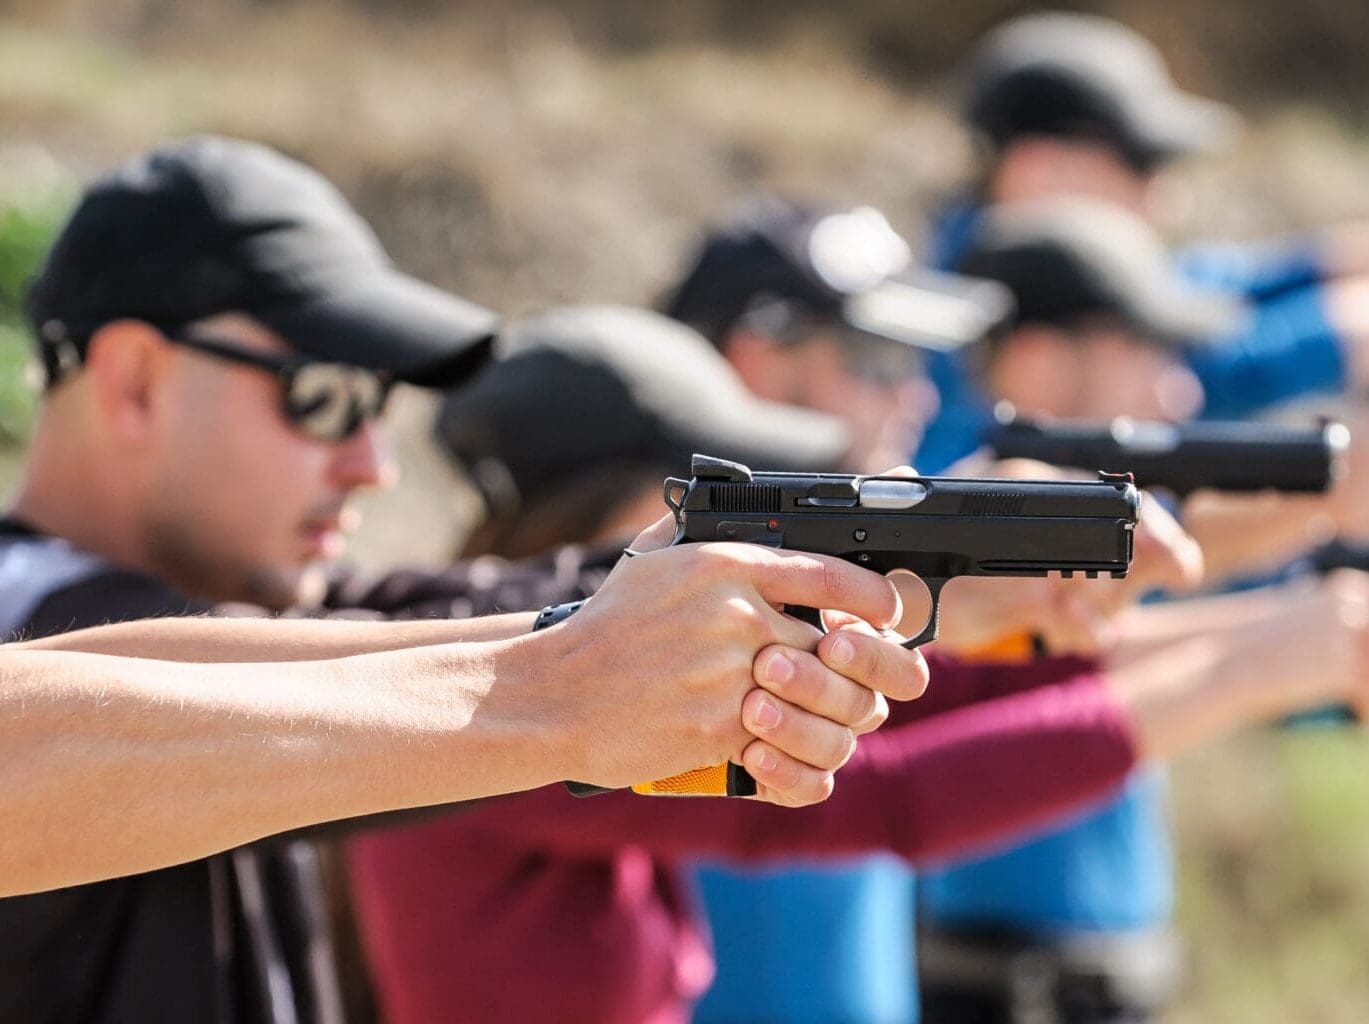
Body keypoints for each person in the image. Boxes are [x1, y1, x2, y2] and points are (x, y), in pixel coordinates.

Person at [0, 136, 931, 1024]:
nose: (373, 463)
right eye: (324, 396)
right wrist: (570, 681)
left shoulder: (197, 639)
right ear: (134, 383)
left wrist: (830, 572)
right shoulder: (33, 616)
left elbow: (430, 625)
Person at [344, 304, 1367, 1024]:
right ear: (602, 514)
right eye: (710, 507)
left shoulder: (526, 669)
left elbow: (931, 700)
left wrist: (1268, 628)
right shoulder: (525, 703)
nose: (745, 537)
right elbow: (885, 799)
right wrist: (1258, 663)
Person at [914, 197, 1369, 1023]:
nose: (1176, 387)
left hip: (1094, 966)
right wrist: (1322, 496)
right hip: (1001, 980)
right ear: (1042, 359)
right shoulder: (952, 499)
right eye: (1140, 347)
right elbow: (1124, 549)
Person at [919, 9, 1369, 471]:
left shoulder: (1003, 268)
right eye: (1140, 163)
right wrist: (1337, 335)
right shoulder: (953, 331)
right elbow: (1176, 379)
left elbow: (1213, 289)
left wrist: (1334, 266)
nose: (1165, 201)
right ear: (1042, 168)